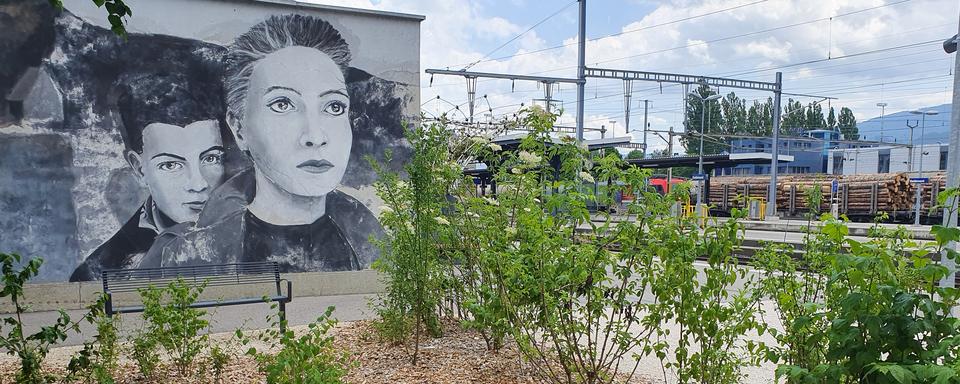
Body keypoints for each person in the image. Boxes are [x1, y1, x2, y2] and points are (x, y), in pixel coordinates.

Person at [146, 14, 384, 273]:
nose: (315, 136)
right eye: (282, 105)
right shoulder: (185, 255)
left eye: (334, 106)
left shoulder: (376, 242)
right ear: (239, 128)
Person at [69, 73, 229, 281]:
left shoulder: (263, 235)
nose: (198, 184)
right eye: (171, 165)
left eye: (211, 159)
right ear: (139, 169)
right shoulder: (101, 272)